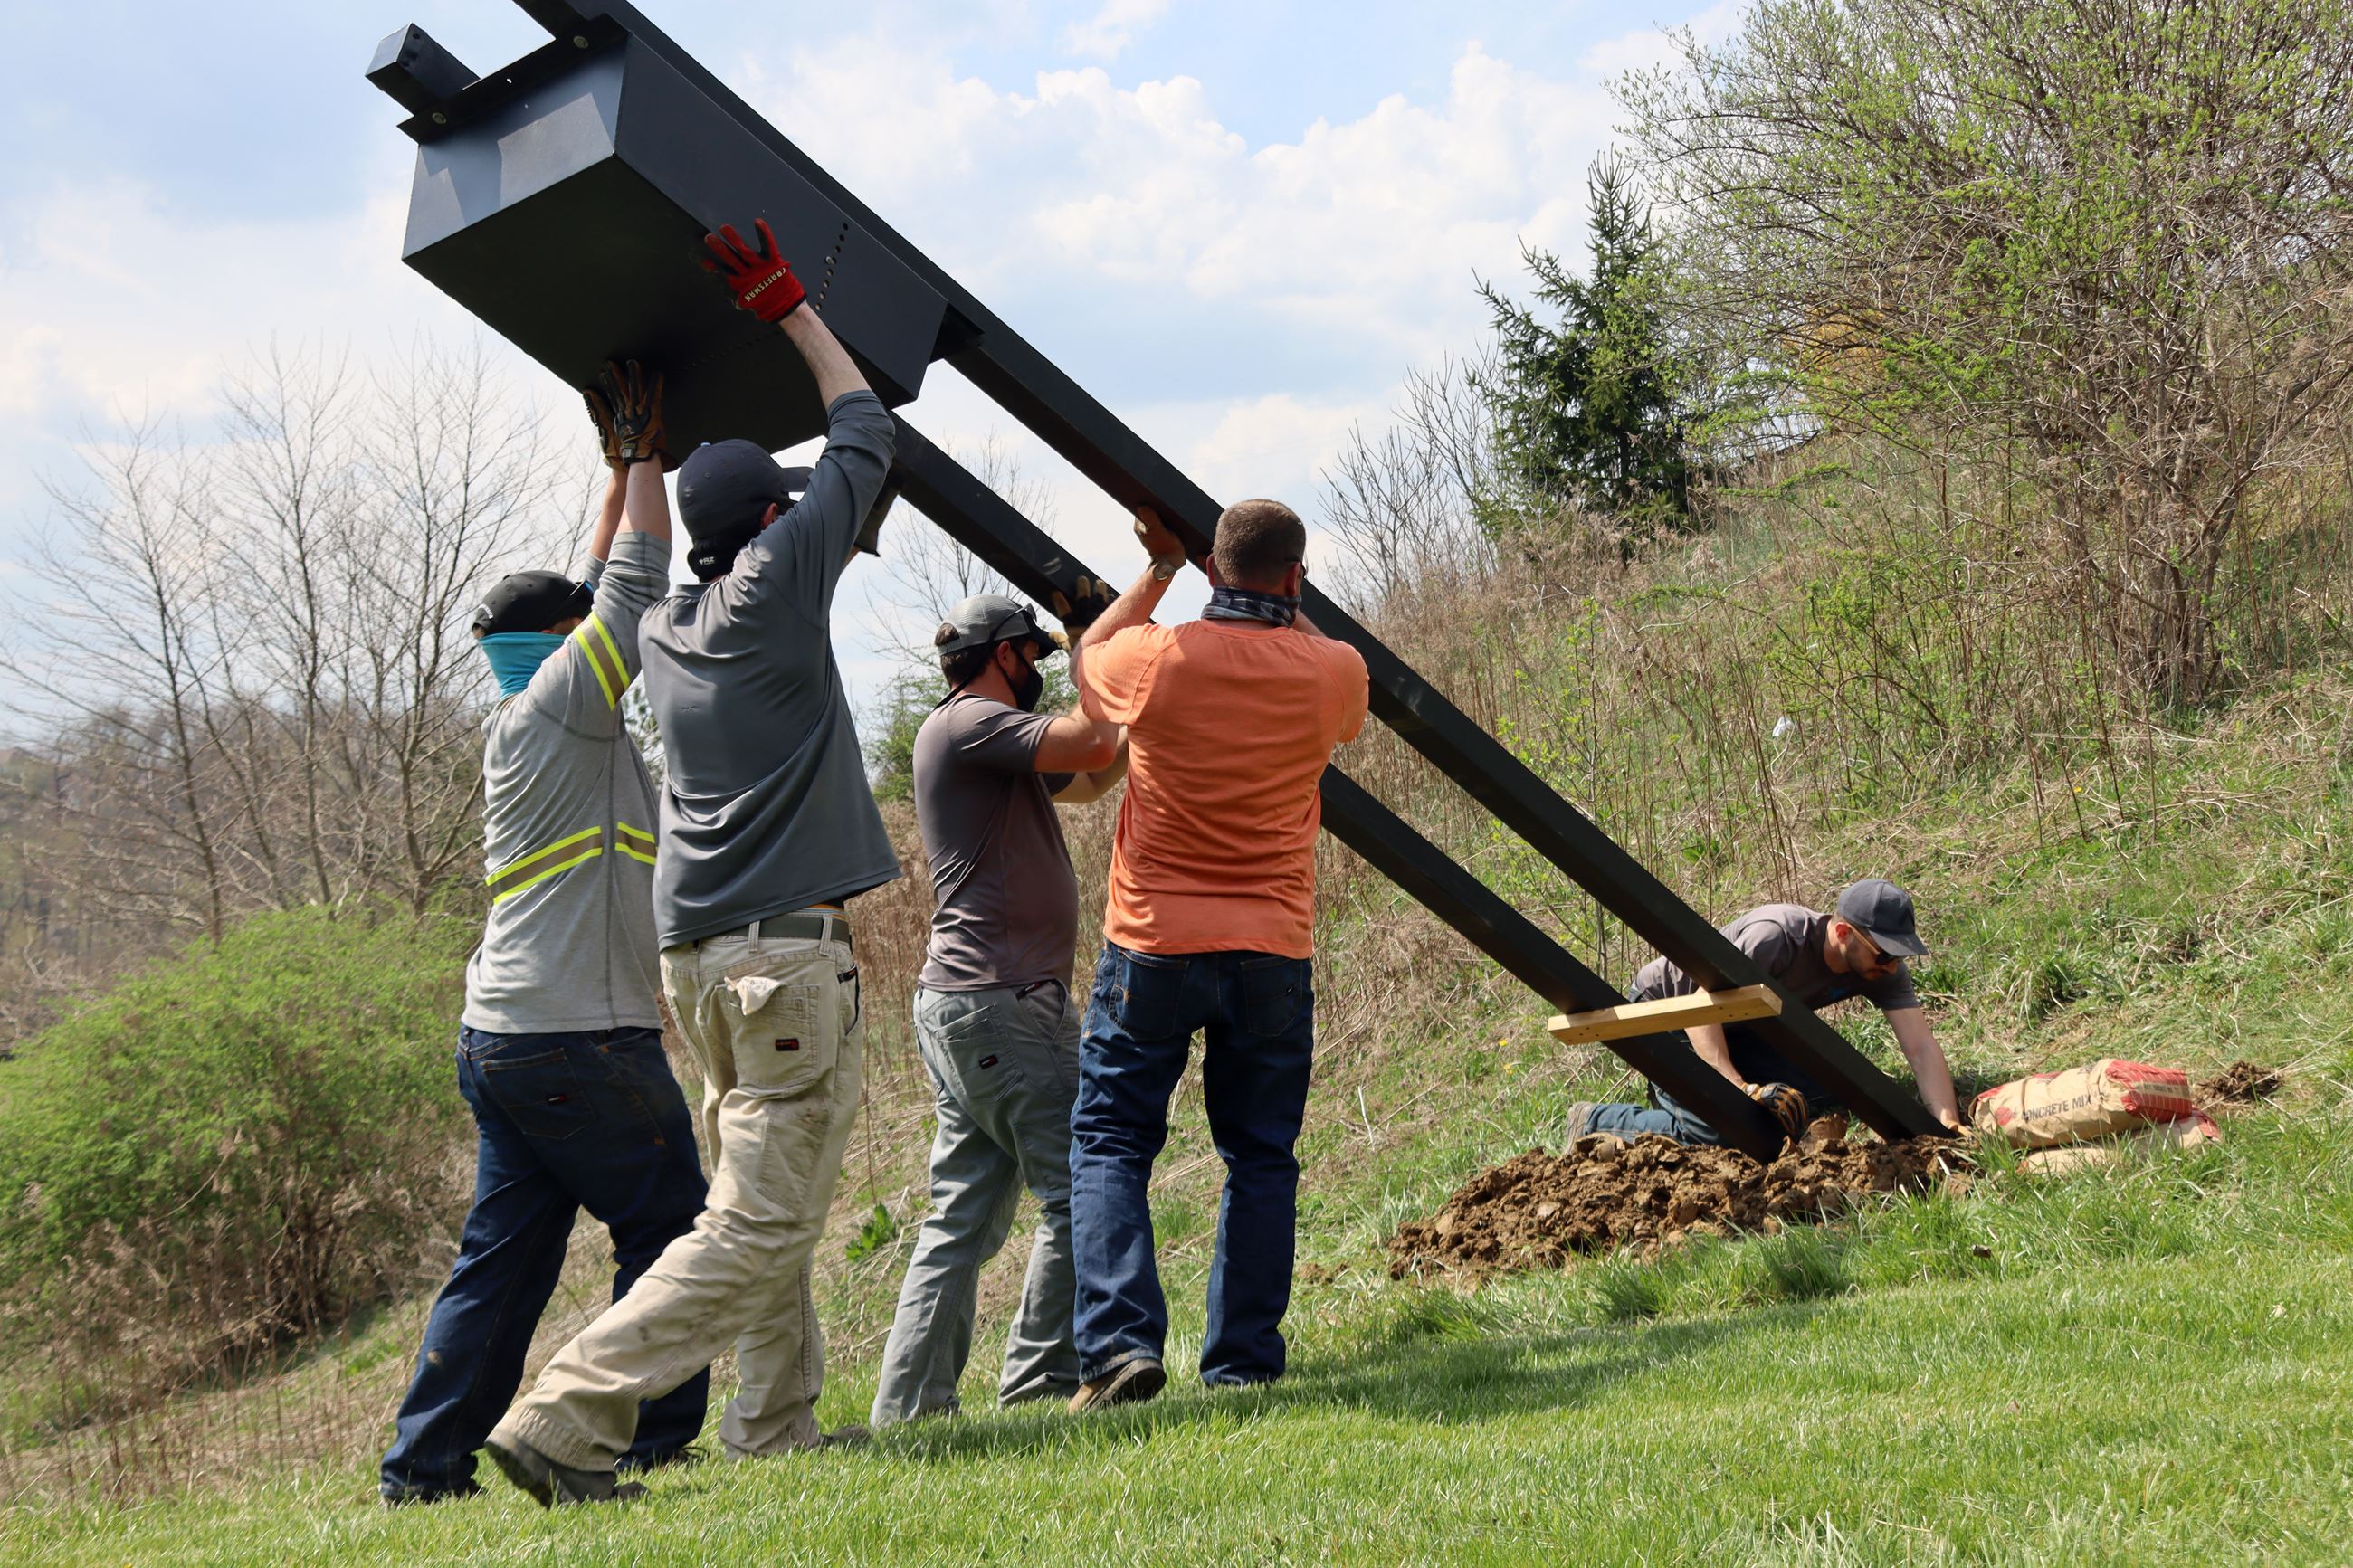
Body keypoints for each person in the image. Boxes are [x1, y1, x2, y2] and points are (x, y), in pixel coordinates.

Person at [485, 220, 898, 1506]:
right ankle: (565, 1413)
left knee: (755, 1196)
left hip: (700, 965)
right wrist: (790, 310)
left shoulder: (661, 631)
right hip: (780, 958)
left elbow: (630, 565)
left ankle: (774, 1430)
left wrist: (632, 464)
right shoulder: (777, 578)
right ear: (773, 522)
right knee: (759, 1220)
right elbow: (866, 431)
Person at [379, 363, 705, 1506]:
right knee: (675, 1225)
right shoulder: (569, 700)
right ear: (564, 641)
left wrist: (620, 461)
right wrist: (650, 460)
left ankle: (424, 1469)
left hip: (507, 1036)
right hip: (577, 1038)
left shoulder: (536, 706)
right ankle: (644, 1434)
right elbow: (631, 582)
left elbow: (595, 576)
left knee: (504, 1259)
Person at [1061, 500, 1368, 1411]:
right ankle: (1240, 1364)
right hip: (1271, 945)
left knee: (1112, 1138)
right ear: (1293, 577)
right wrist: (1277, 605)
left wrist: (1158, 573)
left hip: (1153, 942)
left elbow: (1087, 661)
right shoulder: (1332, 670)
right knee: (1260, 1153)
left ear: (1213, 570)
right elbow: (1317, 658)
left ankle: (1119, 1345)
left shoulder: (1154, 660)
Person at [869, 592, 1129, 1427]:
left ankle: (909, 1411)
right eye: (1035, 656)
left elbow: (1094, 773)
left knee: (962, 1215)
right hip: (1003, 1003)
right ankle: (1039, 1383)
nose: (1041, 671)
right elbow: (1091, 735)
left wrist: (1114, 659)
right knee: (1075, 1188)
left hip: (972, 1003)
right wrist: (1100, 645)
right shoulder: (969, 722)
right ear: (1003, 653)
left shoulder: (981, 740)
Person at [1565, 879, 1966, 1145]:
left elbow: (1920, 1047)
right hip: (1670, 1011)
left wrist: (1945, 1122)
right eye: (1884, 953)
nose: (1892, 966)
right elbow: (1701, 1009)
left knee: (1828, 1087)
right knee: (1729, 1126)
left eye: (1898, 955)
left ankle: (1691, 1100)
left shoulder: (1880, 969)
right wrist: (1738, 1089)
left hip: (1738, 1025)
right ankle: (1597, 1121)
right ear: (1844, 934)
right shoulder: (1776, 937)